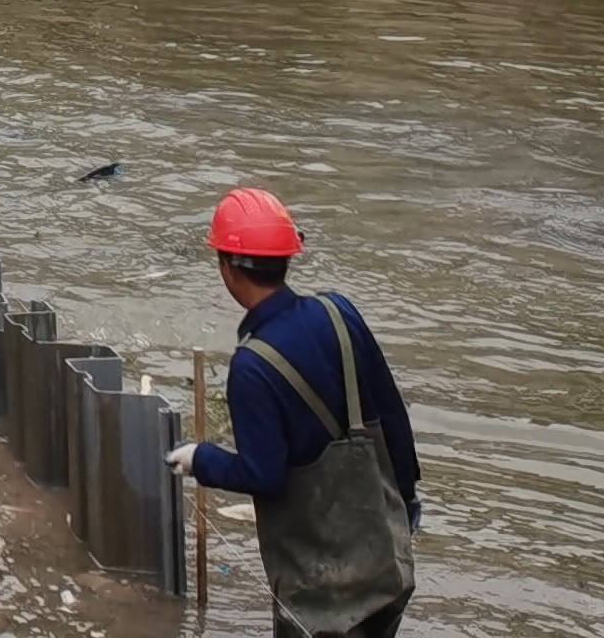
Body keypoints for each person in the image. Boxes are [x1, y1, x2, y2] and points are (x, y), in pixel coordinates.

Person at [168, 188, 420, 638]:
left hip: (318, 597)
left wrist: (199, 459)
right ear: (287, 259)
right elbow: (392, 417)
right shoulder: (340, 313)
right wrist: (407, 501)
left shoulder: (252, 367)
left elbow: (263, 475)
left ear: (226, 268)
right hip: (385, 565)